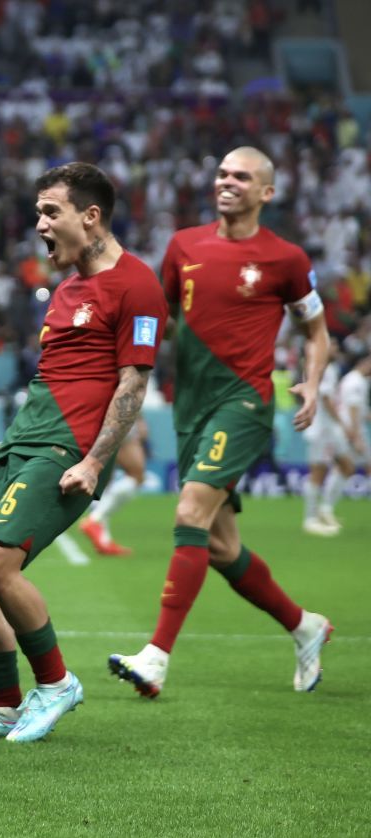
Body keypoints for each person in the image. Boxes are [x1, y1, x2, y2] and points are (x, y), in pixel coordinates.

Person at [0, 163, 167, 743]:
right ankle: (4, 707)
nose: (39, 225)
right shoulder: (65, 291)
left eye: (51, 212)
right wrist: (8, 442)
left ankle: (57, 683)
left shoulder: (137, 284)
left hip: (69, 449)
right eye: (38, 212)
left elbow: (132, 384)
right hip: (27, 442)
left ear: (90, 216)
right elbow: (53, 379)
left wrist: (92, 462)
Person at [109, 146, 332, 698]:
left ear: (267, 193)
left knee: (189, 513)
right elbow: (158, 318)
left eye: (242, 176)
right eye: (222, 173)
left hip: (245, 403)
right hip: (191, 408)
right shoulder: (184, 245)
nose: (227, 182)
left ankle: (156, 656)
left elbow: (317, 332)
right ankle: (305, 627)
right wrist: (119, 367)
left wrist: (311, 380)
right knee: (220, 546)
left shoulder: (286, 259)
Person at [302, 344, 369, 535]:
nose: (336, 348)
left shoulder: (329, 369)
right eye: (331, 346)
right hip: (321, 429)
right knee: (318, 472)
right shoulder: (321, 368)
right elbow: (325, 399)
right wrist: (343, 424)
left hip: (331, 429)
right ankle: (310, 519)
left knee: (347, 465)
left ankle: (324, 510)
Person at [78, 415, 148, 555]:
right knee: (136, 475)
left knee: (104, 480)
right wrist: (139, 418)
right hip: (119, 416)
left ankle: (104, 541)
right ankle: (94, 520)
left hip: (94, 418)